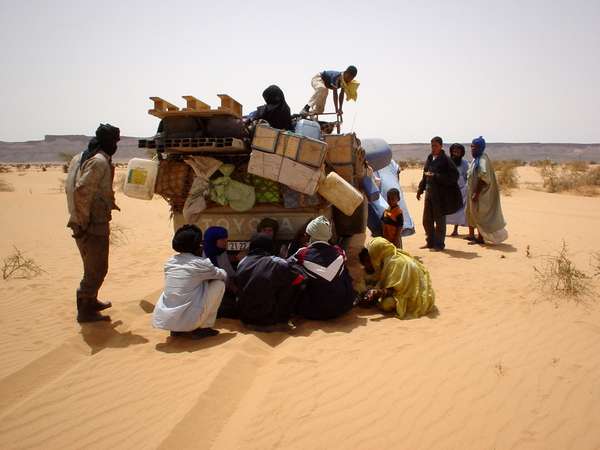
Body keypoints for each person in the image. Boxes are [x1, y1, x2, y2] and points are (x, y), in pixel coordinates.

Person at [66, 123, 120, 323]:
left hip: (81, 221)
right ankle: (86, 310)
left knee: (91, 266)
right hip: (91, 224)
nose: (117, 144)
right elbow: (82, 191)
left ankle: (92, 300)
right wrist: (83, 223)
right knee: (97, 267)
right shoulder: (98, 162)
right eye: (115, 140)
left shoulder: (80, 157)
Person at [153, 225, 225, 339]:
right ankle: (204, 327)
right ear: (198, 246)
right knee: (219, 284)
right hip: (189, 322)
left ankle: (177, 330)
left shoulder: (170, 262)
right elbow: (222, 275)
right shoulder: (201, 264)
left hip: (167, 321)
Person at [288, 216, 355, 320]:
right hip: (342, 308)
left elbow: (285, 266)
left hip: (313, 311)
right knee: (344, 273)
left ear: (309, 236)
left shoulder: (302, 254)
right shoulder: (339, 252)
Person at [235, 233, 305, 328]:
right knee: (295, 282)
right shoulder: (276, 262)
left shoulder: (242, 262)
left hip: (245, 318)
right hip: (269, 319)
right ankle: (283, 319)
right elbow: (299, 278)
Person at [359, 238, 435, 319]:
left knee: (386, 304)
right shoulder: (393, 255)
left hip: (413, 296)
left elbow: (393, 290)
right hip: (414, 289)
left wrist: (377, 292)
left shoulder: (394, 263)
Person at [416, 136, 461, 251]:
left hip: (440, 196)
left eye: (435, 146)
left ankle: (439, 244)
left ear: (441, 146)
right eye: (432, 146)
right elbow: (425, 174)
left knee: (440, 220)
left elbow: (454, 176)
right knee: (427, 220)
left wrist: (437, 176)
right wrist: (420, 189)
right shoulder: (430, 158)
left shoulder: (446, 159)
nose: (433, 148)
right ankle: (430, 242)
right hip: (429, 193)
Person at [465, 136, 508, 245]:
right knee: (471, 213)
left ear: (480, 148)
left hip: (481, 195)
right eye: (471, 147)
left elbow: (483, 178)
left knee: (480, 215)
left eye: (474, 147)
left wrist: (477, 193)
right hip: (472, 192)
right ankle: (472, 235)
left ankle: (480, 237)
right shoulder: (477, 159)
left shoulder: (482, 159)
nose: (472, 149)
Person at [202, 226, 239, 317]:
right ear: (213, 240)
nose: (226, 243)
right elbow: (220, 276)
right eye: (223, 240)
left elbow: (228, 271)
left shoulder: (220, 252)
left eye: (226, 240)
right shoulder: (204, 258)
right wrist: (235, 289)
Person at [446, 143, 469, 236]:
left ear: (462, 153)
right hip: (449, 189)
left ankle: (455, 229)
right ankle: (442, 229)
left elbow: (467, 176)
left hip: (462, 190)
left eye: (458, 152)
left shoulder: (465, 163)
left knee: (459, 211)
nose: (456, 153)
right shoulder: (447, 162)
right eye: (454, 151)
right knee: (445, 209)